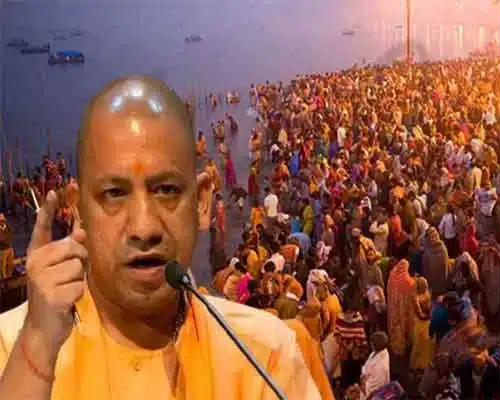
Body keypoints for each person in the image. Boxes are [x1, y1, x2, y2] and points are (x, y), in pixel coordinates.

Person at [0, 76, 320, 399]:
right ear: (78, 210)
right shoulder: (11, 349)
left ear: (201, 202)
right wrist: (35, 355)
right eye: (114, 193)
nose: (144, 228)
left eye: (166, 190)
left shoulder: (264, 357)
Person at [360, 331, 390, 398]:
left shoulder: (381, 366)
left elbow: (374, 387)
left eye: (372, 342)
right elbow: (364, 367)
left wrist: (363, 383)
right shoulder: (374, 353)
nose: (370, 344)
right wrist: (363, 377)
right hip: (365, 382)